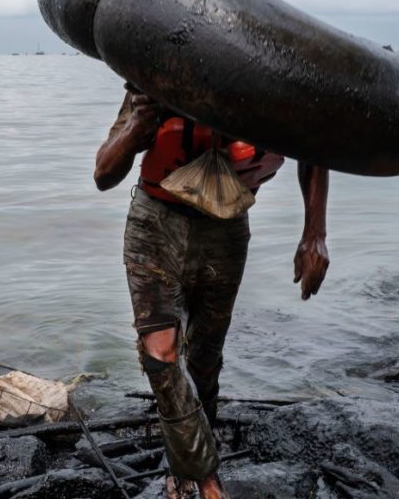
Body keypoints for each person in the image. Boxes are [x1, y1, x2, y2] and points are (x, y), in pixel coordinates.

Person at [94, 87, 330, 499]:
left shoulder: (266, 84)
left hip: (226, 229)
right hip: (156, 223)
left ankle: (185, 465)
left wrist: (314, 234)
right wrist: (137, 127)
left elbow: (312, 149)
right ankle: (205, 477)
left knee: (204, 361)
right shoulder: (157, 77)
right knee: (161, 355)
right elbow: (102, 175)